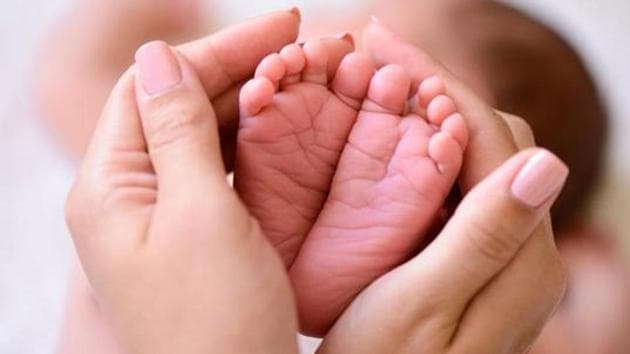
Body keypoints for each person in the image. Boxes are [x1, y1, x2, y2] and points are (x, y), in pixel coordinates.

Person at [61, 9, 567, 353]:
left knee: (112, 279)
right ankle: (360, 241)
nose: (367, 73)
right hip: (372, 323)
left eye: (404, 101)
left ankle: (282, 237)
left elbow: (73, 81)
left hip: (171, 273)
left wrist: (124, 20)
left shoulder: (210, 95)